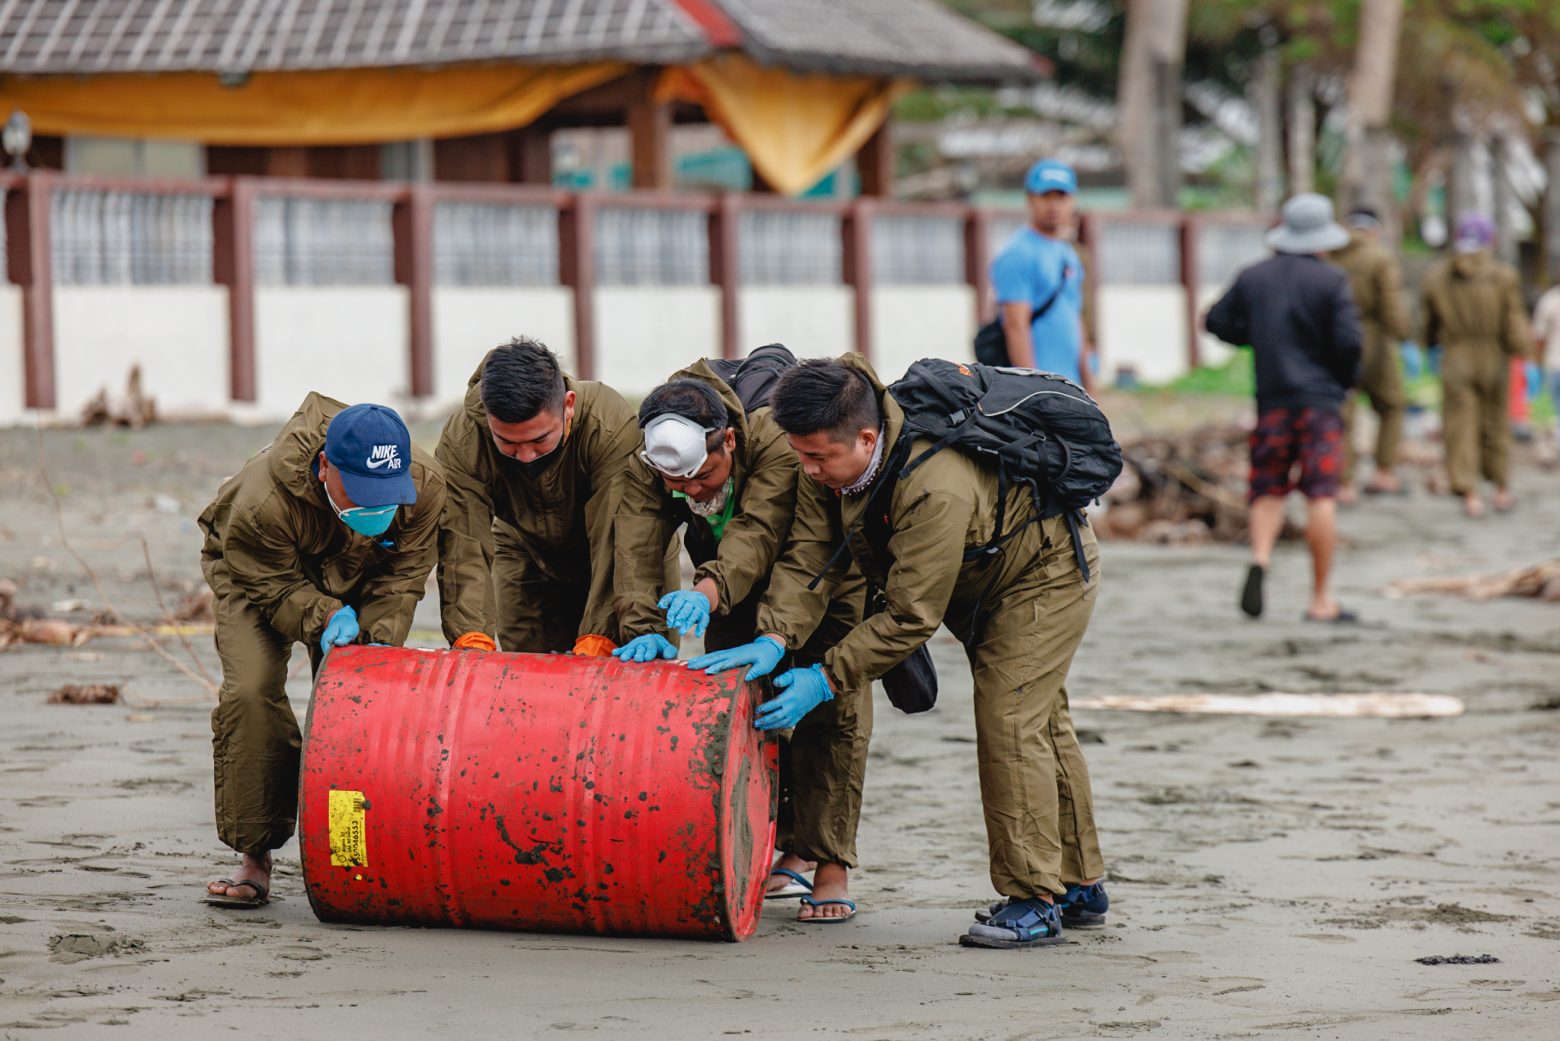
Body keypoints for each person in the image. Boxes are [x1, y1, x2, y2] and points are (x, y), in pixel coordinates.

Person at [695, 355, 1107, 949]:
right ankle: (1081, 882)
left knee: (1011, 720)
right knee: (1042, 719)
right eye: (799, 455)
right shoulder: (829, 469)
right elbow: (812, 554)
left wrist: (824, 676)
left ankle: (1033, 899)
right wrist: (775, 636)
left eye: (818, 458)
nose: (806, 470)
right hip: (977, 577)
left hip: (1042, 576)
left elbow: (912, 616)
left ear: (867, 437)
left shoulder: (933, 485)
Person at [611, 363, 871, 923]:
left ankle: (828, 864)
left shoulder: (776, 443)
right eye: (674, 483)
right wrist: (645, 629)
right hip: (726, 586)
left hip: (820, 568)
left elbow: (761, 531)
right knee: (742, 707)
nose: (689, 491)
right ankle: (767, 845)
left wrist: (716, 598)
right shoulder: (646, 461)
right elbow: (635, 548)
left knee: (832, 715)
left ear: (727, 441)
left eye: (701, 477)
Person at [199, 396, 445, 907]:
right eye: (362, 495)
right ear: (325, 467)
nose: (376, 509)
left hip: (362, 574)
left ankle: (352, 852)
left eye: (387, 497)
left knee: (359, 701)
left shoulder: (426, 485)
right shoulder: (260, 500)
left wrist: (372, 641)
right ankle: (255, 854)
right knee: (251, 692)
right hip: (259, 574)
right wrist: (324, 615)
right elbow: (269, 582)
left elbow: (403, 578)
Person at [435, 336, 671, 654]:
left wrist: (601, 635)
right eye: (508, 442)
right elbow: (462, 543)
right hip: (525, 551)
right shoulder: (464, 439)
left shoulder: (608, 425)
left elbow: (625, 533)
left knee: (619, 673)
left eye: (539, 439)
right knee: (525, 678)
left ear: (568, 405)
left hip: (619, 552)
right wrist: (470, 634)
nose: (526, 455)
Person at [1204, 193, 1362, 623]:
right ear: (1323, 238)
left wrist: (1255, 335)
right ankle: (1320, 598)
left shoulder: (1254, 276)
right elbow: (1350, 343)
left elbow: (1215, 320)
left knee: (1268, 488)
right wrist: (1343, 381)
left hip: (1272, 401)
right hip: (1320, 403)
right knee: (1320, 494)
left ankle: (1260, 558)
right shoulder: (1332, 281)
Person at [1421, 214, 1531, 517]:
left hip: (1455, 354)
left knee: (1460, 425)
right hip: (1494, 355)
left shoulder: (1438, 275)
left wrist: (1428, 345)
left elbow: (1429, 323)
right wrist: (1521, 352)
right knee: (1496, 423)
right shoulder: (1502, 275)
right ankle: (1501, 489)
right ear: (1490, 241)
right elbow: (1514, 320)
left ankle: (1470, 494)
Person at [990, 159, 1094, 393]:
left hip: (1070, 384)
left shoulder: (1067, 252)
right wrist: (1033, 391)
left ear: (1073, 199)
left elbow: (1075, 319)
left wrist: (1090, 385)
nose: (1054, 204)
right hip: (1041, 388)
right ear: (1030, 198)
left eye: (1061, 196)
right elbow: (1016, 325)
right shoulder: (1018, 253)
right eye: (1046, 196)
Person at [1329, 207, 1413, 498]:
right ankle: (1383, 472)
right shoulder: (1379, 257)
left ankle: (1343, 482)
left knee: (1342, 412)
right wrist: (1404, 335)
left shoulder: (1328, 254)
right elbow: (1391, 304)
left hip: (1335, 340)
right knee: (1391, 404)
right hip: (1374, 341)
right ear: (1375, 230)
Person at [1530, 262, 1560, 449]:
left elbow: (1538, 338)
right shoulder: (1550, 300)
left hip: (1555, 363)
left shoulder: (1550, 300)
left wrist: (1537, 362)